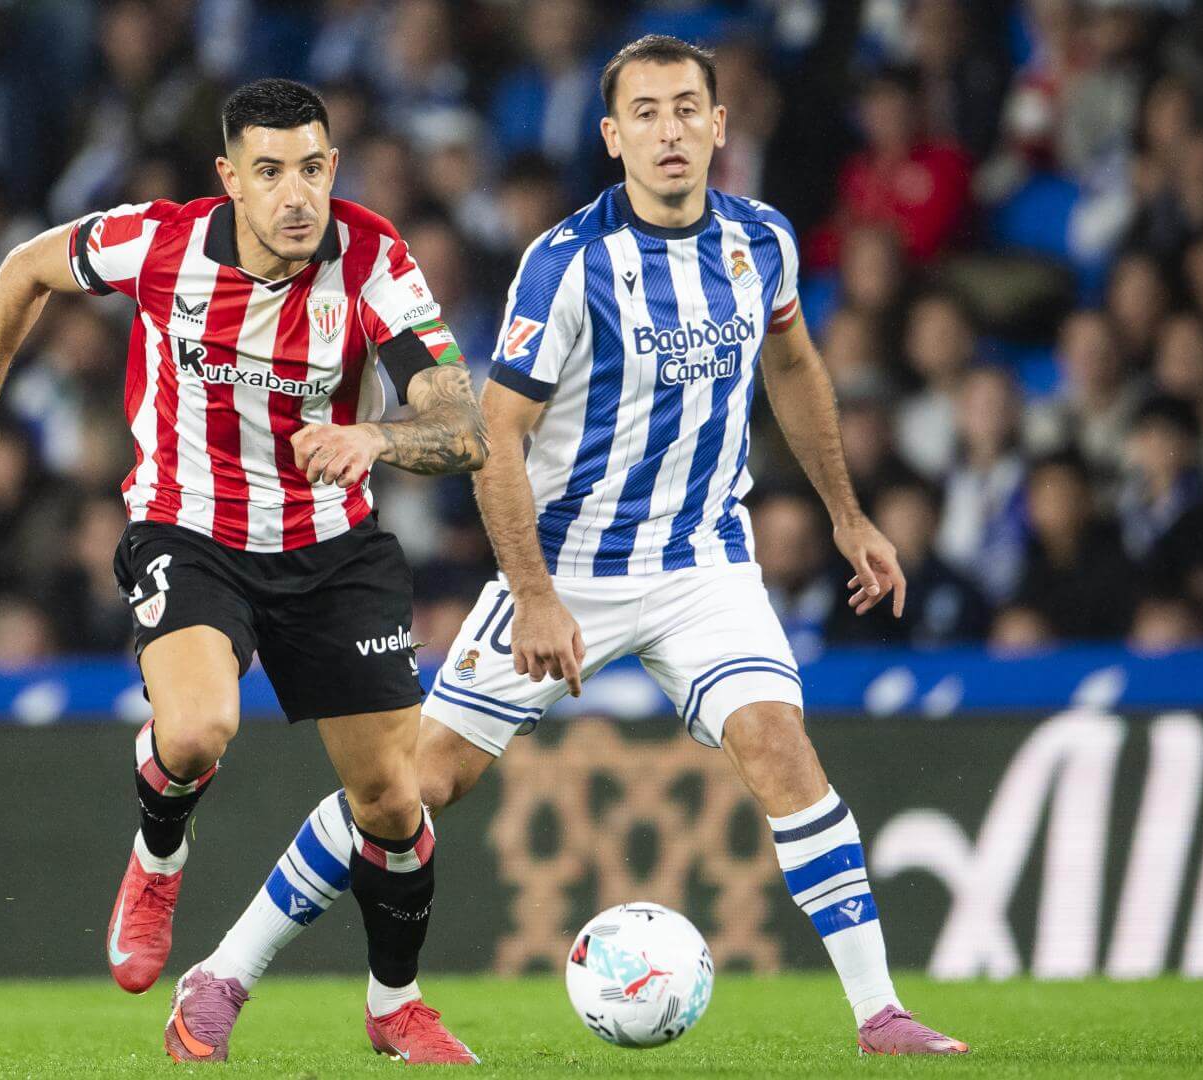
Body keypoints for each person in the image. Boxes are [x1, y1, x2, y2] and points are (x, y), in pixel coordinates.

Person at [186, 36, 969, 1061]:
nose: (670, 130)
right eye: (644, 113)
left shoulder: (763, 240)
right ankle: (225, 971)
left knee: (781, 749)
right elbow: (494, 437)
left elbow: (794, 363)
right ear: (613, 137)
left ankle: (880, 1015)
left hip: (702, 565)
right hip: (568, 566)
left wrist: (847, 514)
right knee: (413, 788)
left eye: (688, 108)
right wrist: (536, 594)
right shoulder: (568, 264)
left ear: (721, 125)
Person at [0, 79, 489, 1065]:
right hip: (192, 531)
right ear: (231, 179)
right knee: (194, 727)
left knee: (395, 802)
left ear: (333, 170)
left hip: (331, 545)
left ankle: (395, 1004)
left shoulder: (372, 260)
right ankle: (157, 858)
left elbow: (460, 426)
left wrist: (373, 435)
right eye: (270, 172)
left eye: (312, 167)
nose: (296, 195)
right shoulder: (160, 243)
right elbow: (23, 270)